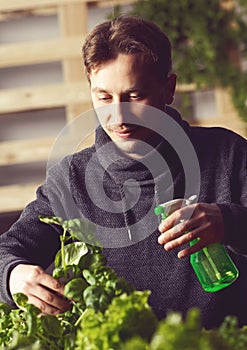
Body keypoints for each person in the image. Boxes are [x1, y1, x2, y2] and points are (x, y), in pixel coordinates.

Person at [0, 14, 246, 329]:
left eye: (134, 96)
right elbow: (9, 250)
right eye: (104, 97)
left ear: (168, 89)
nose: (119, 117)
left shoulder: (229, 154)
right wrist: (13, 276)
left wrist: (231, 223)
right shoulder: (71, 180)